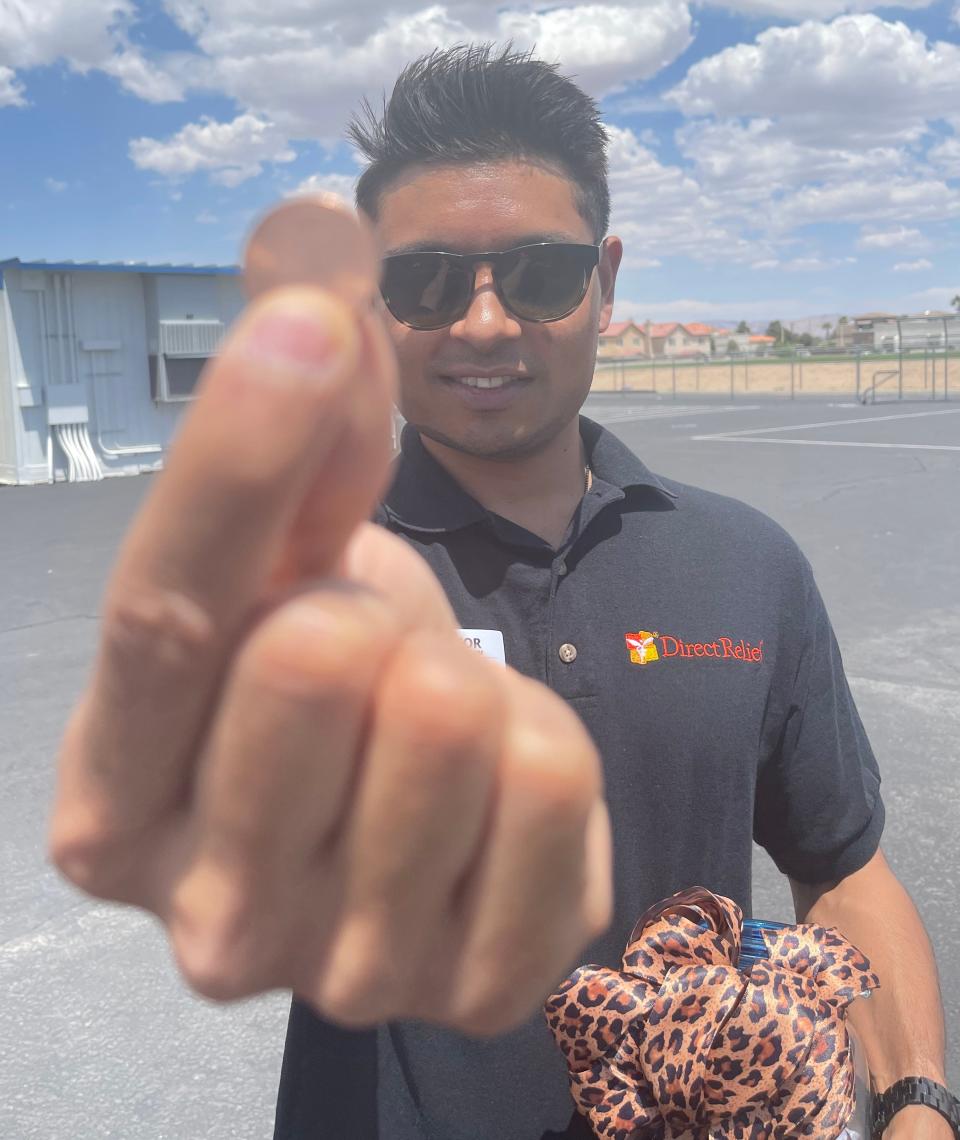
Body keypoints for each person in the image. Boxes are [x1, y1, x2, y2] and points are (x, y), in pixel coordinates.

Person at [49, 44, 951, 1140]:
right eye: (426, 281)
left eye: (538, 273)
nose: (482, 322)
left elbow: (843, 864)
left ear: (606, 283)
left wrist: (916, 1107)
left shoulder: (747, 565)